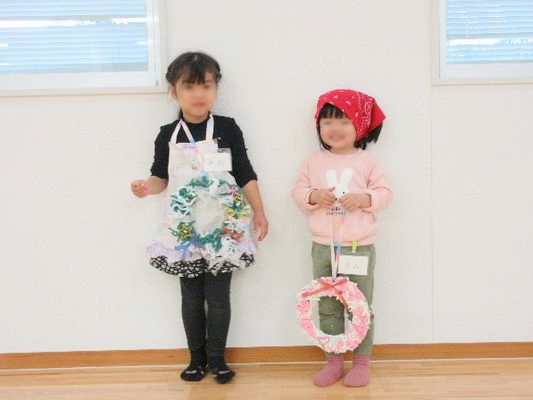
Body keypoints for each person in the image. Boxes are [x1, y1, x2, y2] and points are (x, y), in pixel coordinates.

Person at [131, 52, 268, 384]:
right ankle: (196, 359)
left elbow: (245, 173)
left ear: (216, 88)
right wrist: (147, 187)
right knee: (191, 296)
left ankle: (218, 360)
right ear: (174, 91)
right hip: (183, 229)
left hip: (224, 228)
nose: (198, 93)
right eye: (189, 86)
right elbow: (160, 177)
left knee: (218, 296)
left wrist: (260, 212)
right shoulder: (167, 134)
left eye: (206, 85)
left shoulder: (227, 127)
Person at [291, 89, 392, 387]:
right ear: (319, 127)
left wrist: (364, 198)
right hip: (323, 247)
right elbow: (297, 192)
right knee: (327, 305)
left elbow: (385, 194)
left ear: (359, 125)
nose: (335, 128)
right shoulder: (313, 161)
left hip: (359, 247)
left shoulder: (368, 162)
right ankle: (333, 361)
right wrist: (313, 195)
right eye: (327, 122)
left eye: (344, 121)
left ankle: (361, 363)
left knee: (359, 306)